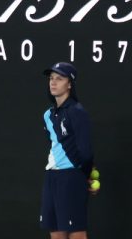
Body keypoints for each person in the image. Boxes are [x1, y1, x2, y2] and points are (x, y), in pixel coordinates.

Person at [40, 62, 96, 239]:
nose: (53, 82)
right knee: (55, 232)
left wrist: (85, 176)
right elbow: (55, 145)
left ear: (70, 84)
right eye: (51, 78)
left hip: (71, 177)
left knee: (76, 233)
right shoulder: (47, 115)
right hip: (51, 177)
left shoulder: (77, 112)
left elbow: (85, 152)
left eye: (59, 78)